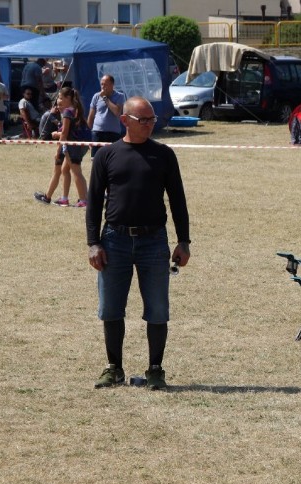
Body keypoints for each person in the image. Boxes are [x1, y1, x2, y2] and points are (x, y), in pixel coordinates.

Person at [86, 96, 191, 391]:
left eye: (152, 119)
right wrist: (93, 243)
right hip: (114, 240)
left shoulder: (164, 155)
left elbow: (178, 201)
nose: (149, 125)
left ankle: (156, 369)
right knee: (110, 308)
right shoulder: (106, 156)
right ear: (125, 121)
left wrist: (183, 241)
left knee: (158, 308)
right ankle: (114, 368)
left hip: (153, 241)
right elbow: (93, 203)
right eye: (142, 120)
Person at [87, 74, 126, 157]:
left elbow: (117, 112)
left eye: (105, 84)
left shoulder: (119, 96)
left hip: (113, 133)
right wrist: (87, 134)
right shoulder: (96, 96)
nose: (103, 86)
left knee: (112, 158)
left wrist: (105, 98)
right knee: (96, 159)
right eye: (101, 84)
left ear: (112, 85)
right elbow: (91, 116)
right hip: (97, 132)